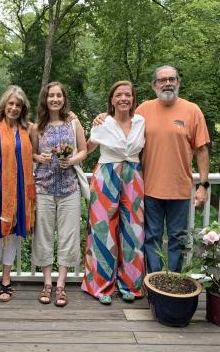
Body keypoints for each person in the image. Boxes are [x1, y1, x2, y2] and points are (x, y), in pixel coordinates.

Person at [94, 65, 210, 273]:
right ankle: (154, 284)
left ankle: (173, 283)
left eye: (171, 79)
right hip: (148, 188)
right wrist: (103, 116)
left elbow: (201, 151)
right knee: (150, 238)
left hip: (180, 190)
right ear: (154, 85)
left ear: (178, 82)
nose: (167, 83)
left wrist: (203, 185)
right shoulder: (143, 110)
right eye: (162, 80)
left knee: (177, 240)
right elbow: (122, 119)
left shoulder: (192, 110)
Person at [81, 81, 145, 305]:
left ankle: (130, 285)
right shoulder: (103, 123)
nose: (124, 98)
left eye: (128, 95)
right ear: (111, 100)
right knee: (102, 231)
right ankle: (100, 286)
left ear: (133, 99)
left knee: (133, 231)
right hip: (106, 175)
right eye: (119, 95)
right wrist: (68, 157)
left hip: (133, 176)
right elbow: (87, 148)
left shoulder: (141, 122)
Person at [30, 81, 87, 307]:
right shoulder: (38, 127)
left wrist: (71, 160)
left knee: (68, 236)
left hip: (69, 189)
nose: (55, 99)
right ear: (45, 99)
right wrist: (38, 158)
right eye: (51, 95)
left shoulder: (73, 123)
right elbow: (32, 153)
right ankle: (47, 284)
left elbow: (83, 150)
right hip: (43, 188)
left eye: (59, 95)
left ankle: (61, 285)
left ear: (64, 99)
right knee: (43, 236)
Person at [0, 85, 36, 302]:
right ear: (4, 105)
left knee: (12, 234)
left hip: (20, 188)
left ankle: (6, 279)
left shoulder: (29, 129)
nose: (14, 108)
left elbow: (37, 155)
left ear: (23, 109)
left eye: (18, 105)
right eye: (10, 103)